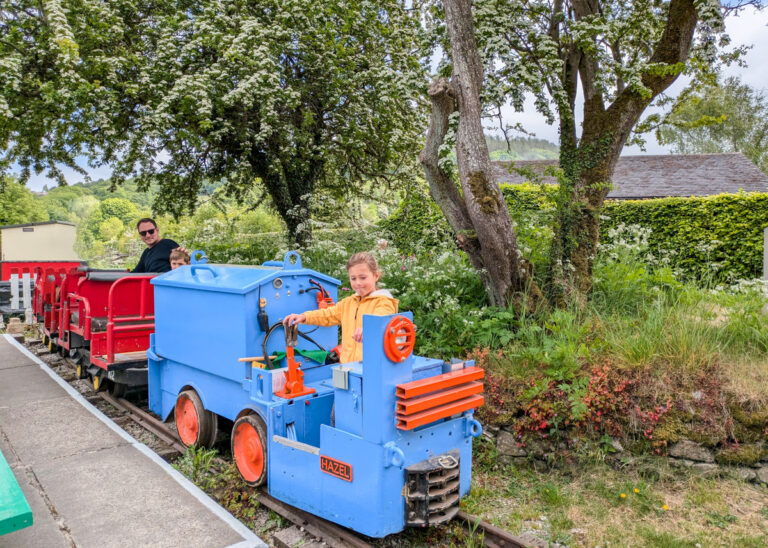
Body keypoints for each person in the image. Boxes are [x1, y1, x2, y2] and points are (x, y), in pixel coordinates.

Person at [283, 252, 398, 363]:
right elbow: (327, 315)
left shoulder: (384, 301)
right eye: (353, 278)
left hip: (372, 367)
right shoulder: (348, 303)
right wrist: (304, 317)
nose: (358, 283)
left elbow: (382, 317)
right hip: (348, 366)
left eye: (363, 278)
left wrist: (368, 327)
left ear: (376, 276)